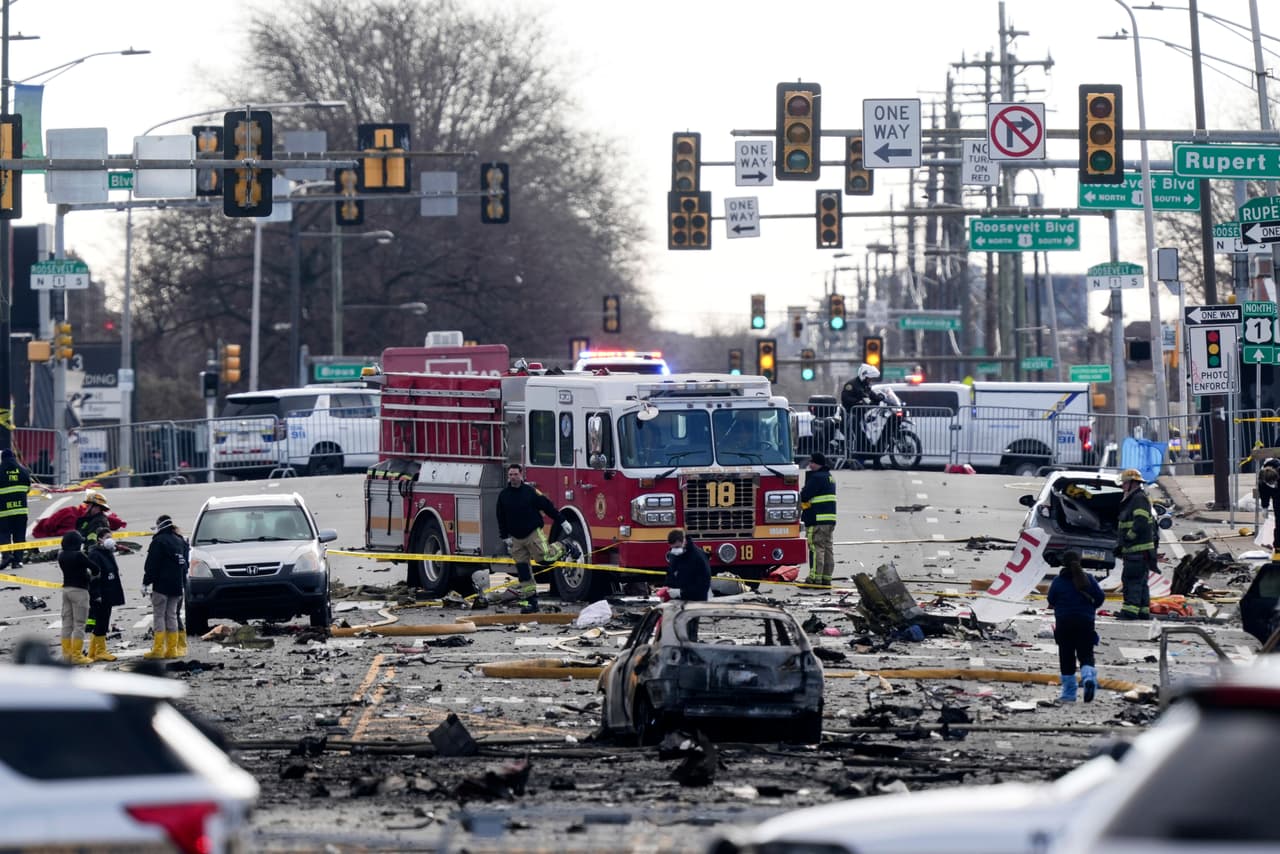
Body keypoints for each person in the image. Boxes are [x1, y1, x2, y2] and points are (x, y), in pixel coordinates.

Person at [495, 463, 581, 614]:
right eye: (510, 475)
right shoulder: (504, 495)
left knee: (545, 558)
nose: (513, 478)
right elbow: (500, 517)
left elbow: (547, 507)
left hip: (533, 533)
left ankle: (565, 546)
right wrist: (504, 537)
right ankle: (531, 602)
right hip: (516, 539)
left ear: (521, 475)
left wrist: (562, 520)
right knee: (523, 572)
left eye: (515, 474)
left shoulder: (530, 492)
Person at [1047, 550, 1106, 703]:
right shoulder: (1089, 579)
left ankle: (1069, 694)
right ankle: (1088, 678)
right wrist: (1090, 607)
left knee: (1066, 657)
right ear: (1080, 562)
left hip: (1064, 623)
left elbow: (1051, 600)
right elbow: (1100, 598)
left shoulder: (1058, 581)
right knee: (1086, 654)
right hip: (1085, 622)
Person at [142, 514, 188, 660]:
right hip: (177, 585)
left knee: (159, 616)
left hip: (161, 586)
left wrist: (146, 582)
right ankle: (172, 650)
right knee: (172, 616)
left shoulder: (158, 541)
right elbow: (185, 564)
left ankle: (158, 650)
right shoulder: (180, 540)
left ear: (160, 525)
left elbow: (151, 565)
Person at [1116, 467, 1156, 620]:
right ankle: (1142, 611)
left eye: (1125, 483)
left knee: (1131, 580)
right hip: (1139, 550)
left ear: (1133, 483)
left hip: (1136, 549)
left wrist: (1128, 538)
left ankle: (1130, 612)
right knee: (1140, 581)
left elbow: (1141, 522)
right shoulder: (1135, 498)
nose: (1122, 486)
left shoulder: (1138, 499)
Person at [84, 527, 126, 662]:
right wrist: (96, 594)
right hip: (101, 594)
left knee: (102, 622)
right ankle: (100, 651)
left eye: (111, 537)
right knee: (101, 622)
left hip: (108, 592)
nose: (110, 540)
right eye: (107, 537)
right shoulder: (96, 554)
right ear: (100, 539)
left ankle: (93, 652)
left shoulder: (106, 552)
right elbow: (94, 576)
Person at [800, 452, 838, 587]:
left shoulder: (817, 478)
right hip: (829, 520)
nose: (810, 465)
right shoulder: (829, 477)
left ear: (818, 464)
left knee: (816, 548)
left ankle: (814, 579)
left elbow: (804, 495)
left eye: (812, 462)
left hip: (817, 519)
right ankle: (826, 578)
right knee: (827, 548)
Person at [57, 530, 93, 665]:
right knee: (79, 624)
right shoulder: (79, 555)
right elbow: (94, 568)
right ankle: (77, 655)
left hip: (66, 590)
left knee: (67, 624)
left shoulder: (61, 555)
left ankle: (66, 655)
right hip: (80, 590)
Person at [32, 490, 126, 540]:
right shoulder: (89, 517)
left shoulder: (98, 521)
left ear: (97, 507)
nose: (87, 507)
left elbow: (87, 537)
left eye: (89, 505)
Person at [656, 528, 711, 602]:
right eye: (672, 547)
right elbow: (671, 573)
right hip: (677, 601)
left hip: (696, 601)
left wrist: (681, 592)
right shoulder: (674, 555)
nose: (675, 550)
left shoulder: (698, 557)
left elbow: (703, 586)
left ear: (684, 541)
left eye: (677, 547)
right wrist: (666, 587)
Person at [0, 448, 31, 570]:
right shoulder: (23, 471)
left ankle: (6, 556)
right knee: (19, 535)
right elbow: (28, 489)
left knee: (3, 534)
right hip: (20, 511)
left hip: (3, 512)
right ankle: (17, 561)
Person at [1258, 458, 1280, 556]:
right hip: (1277, 499)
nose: (1274, 484)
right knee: (1279, 524)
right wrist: (1265, 507)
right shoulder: (1262, 481)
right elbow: (1264, 494)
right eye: (1272, 483)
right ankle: (1278, 549)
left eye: (1275, 482)